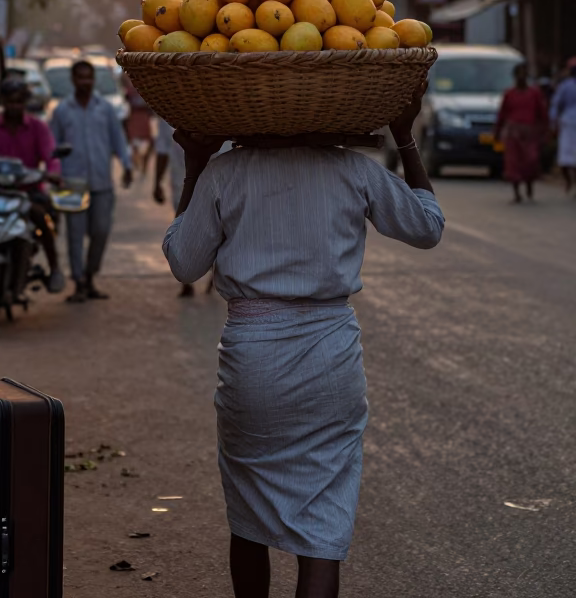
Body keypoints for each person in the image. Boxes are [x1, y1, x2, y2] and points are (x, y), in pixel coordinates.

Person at [162, 84, 444, 598]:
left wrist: (195, 166)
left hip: (253, 358)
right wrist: (405, 136)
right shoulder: (351, 169)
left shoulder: (226, 172)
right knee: (322, 527)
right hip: (330, 357)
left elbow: (184, 262)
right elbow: (427, 227)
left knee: (248, 513)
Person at [0, 76, 65, 292]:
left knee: (41, 217)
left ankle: (54, 268)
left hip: (26, 193)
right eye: (10, 101)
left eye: (19, 101)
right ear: (2, 101)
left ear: (26, 102)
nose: (14, 106)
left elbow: (50, 155)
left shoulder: (38, 128)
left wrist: (53, 173)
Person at [50, 58, 133, 302]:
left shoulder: (105, 109)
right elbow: (52, 146)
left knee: (101, 230)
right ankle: (79, 283)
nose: (85, 82)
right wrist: (54, 173)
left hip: (102, 183)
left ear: (94, 80)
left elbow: (118, 139)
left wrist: (126, 165)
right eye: (80, 77)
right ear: (73, 80)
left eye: (89, 77)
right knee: (74, 235)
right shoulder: (62, 110)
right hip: (72, 183)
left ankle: (90, 274)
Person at [494, 64, 549, 204]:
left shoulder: (534, 94)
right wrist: (497, 132)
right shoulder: (509, 94)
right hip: (513, 133)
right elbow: (502, 115)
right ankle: (517, 192)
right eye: (519, 75)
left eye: (524, 75)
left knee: (531, 160)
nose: (522, 78)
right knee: (513, 163)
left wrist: (545, 132)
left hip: (530, 133)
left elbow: (542, 114)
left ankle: (530, 186)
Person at [154, 117, 193, 297]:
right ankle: (186, 280)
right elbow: (162, 148)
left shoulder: (213, 109)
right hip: (181, 184)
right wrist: (157, 182)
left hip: (213, 182)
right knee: (183, 231)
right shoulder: (166, 115)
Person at [549, 58, 576, 192]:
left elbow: (555, 105)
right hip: (568, 124)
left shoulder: (565, 85)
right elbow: (556, 105)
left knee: (568, 156)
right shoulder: (566, 86)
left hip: (568, 122)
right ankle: (569, 181)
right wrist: (553, 123)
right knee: (566, 157)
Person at [124, 76, 155, 175]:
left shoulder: (147, 88)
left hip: (143, 117)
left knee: (151, 141)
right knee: (134, 141)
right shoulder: (130, 87)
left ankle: (144, 161)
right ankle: (138, 160)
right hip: (135, 116)